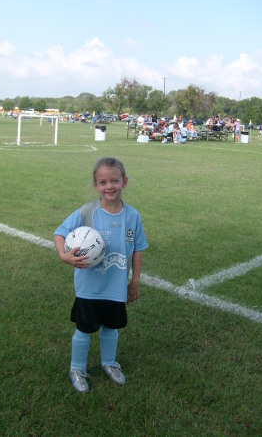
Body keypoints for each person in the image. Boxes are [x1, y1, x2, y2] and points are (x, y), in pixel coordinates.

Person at [53, 157, 148, 393]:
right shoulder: (87, 212)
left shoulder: (132, 216)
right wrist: (63, 256)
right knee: (84, 328)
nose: (110, 186)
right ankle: (77, 368)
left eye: (115, 180)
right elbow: (60, 233)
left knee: (111, 327)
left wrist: (134, 281)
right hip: (89, 287)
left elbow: (137, 250)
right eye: (103, 182)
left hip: (116, 287)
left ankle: (109, 364)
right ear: (96, 185)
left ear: (124, 182)